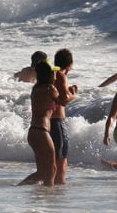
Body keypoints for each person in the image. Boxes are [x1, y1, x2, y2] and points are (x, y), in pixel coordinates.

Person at [18, 61, 61, 186]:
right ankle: (49, 196)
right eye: (54, 72)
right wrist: (73, 93)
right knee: (51, 169)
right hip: (42, 131)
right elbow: (63, 101)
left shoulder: (36, 88)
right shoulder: (50, 88)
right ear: (49, 74)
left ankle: (18, 187)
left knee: (42, 172)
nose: (55, 74)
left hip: (34, 131)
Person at [51, 48, 78, 184]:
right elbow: (64, 99)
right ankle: (59, 187)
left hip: (48, 120)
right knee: (62, 158)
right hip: (57, 121)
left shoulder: (52, 75)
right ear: (69, 64)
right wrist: (73, 94)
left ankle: (51, 186)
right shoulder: (61, 75)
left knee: (54, 157)